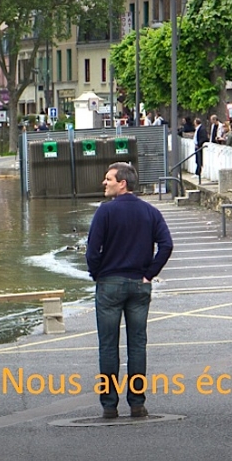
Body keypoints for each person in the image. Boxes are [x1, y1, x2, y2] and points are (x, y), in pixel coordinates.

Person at [86, 162, 173, 419]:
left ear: (122, 182)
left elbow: (93, 251)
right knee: (137, 344)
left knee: (108, 345)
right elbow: (166, 245)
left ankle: (109, 404)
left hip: (110, 284)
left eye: (109, 179)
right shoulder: (150, 211)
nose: (104, 183)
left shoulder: (105, 212)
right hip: (139, 284)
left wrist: (98, 274)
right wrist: (149, 273)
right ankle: (137, 402)